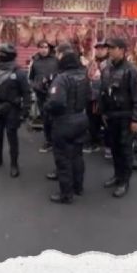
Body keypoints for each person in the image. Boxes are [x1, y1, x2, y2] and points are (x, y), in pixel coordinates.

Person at [44, 46, 91, 204]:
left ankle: (66, 194)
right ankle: (78, 187)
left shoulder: (62, 78)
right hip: (81, 118)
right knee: (77, 155)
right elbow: (90, 96)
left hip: (65, 121)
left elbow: (56, 102)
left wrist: (47, 108)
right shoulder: (84, 76)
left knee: (63, 159)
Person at [99, 37, 137, 198]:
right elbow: (103, 92)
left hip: (126, 117)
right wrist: (103, 112)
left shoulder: (131, 70)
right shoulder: (106, 68)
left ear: (122, 50)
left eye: (112, 48)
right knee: (115, 149)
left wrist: (136, 119)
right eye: (108, 48)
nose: (109, 50)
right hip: (111, 117)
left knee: (125, 150)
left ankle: (124, 181)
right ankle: (117, 175)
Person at [0, 43, 31, 178]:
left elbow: (26, 93)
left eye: (1, 54)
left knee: (12, 137)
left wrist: (25, 112)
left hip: (12, 109)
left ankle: (14, 164)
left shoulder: (19, 73)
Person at [29, 40, 59, 153]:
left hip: (54, 94)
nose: (43, 49)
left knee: (55, 118)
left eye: (45, 47)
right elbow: (31, 78)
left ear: (49, 48)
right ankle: (48, 141)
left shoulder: (56, 60)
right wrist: (35, 86)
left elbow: (61, 76)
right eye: (41, 47)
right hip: (41, 94)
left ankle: (56, 140)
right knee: (45, 118)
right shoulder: (35, 62)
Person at [86, 41, 111, 158]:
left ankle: (108, 146)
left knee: (106, 122)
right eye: (98, 48)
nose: (99, 50)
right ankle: (94, 142)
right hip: (92, 97)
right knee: (92, 121)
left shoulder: (110, 63)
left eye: (102, 48)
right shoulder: (92, 62)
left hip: (103, 97)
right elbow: (88, 76)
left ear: (107, 50)